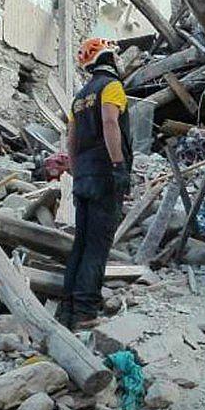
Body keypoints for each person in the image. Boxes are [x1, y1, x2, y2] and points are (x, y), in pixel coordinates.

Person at [58, 38, 131, 331]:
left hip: (85, 177)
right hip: (104, 175)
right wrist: (118, 165)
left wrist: (77, 173)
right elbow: (110, 123)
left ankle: (67, 309)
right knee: (98, 246)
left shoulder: (79, 97)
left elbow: (72, 141)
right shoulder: (111, 87)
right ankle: (86, 310)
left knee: (82, 243)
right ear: (109, 58)